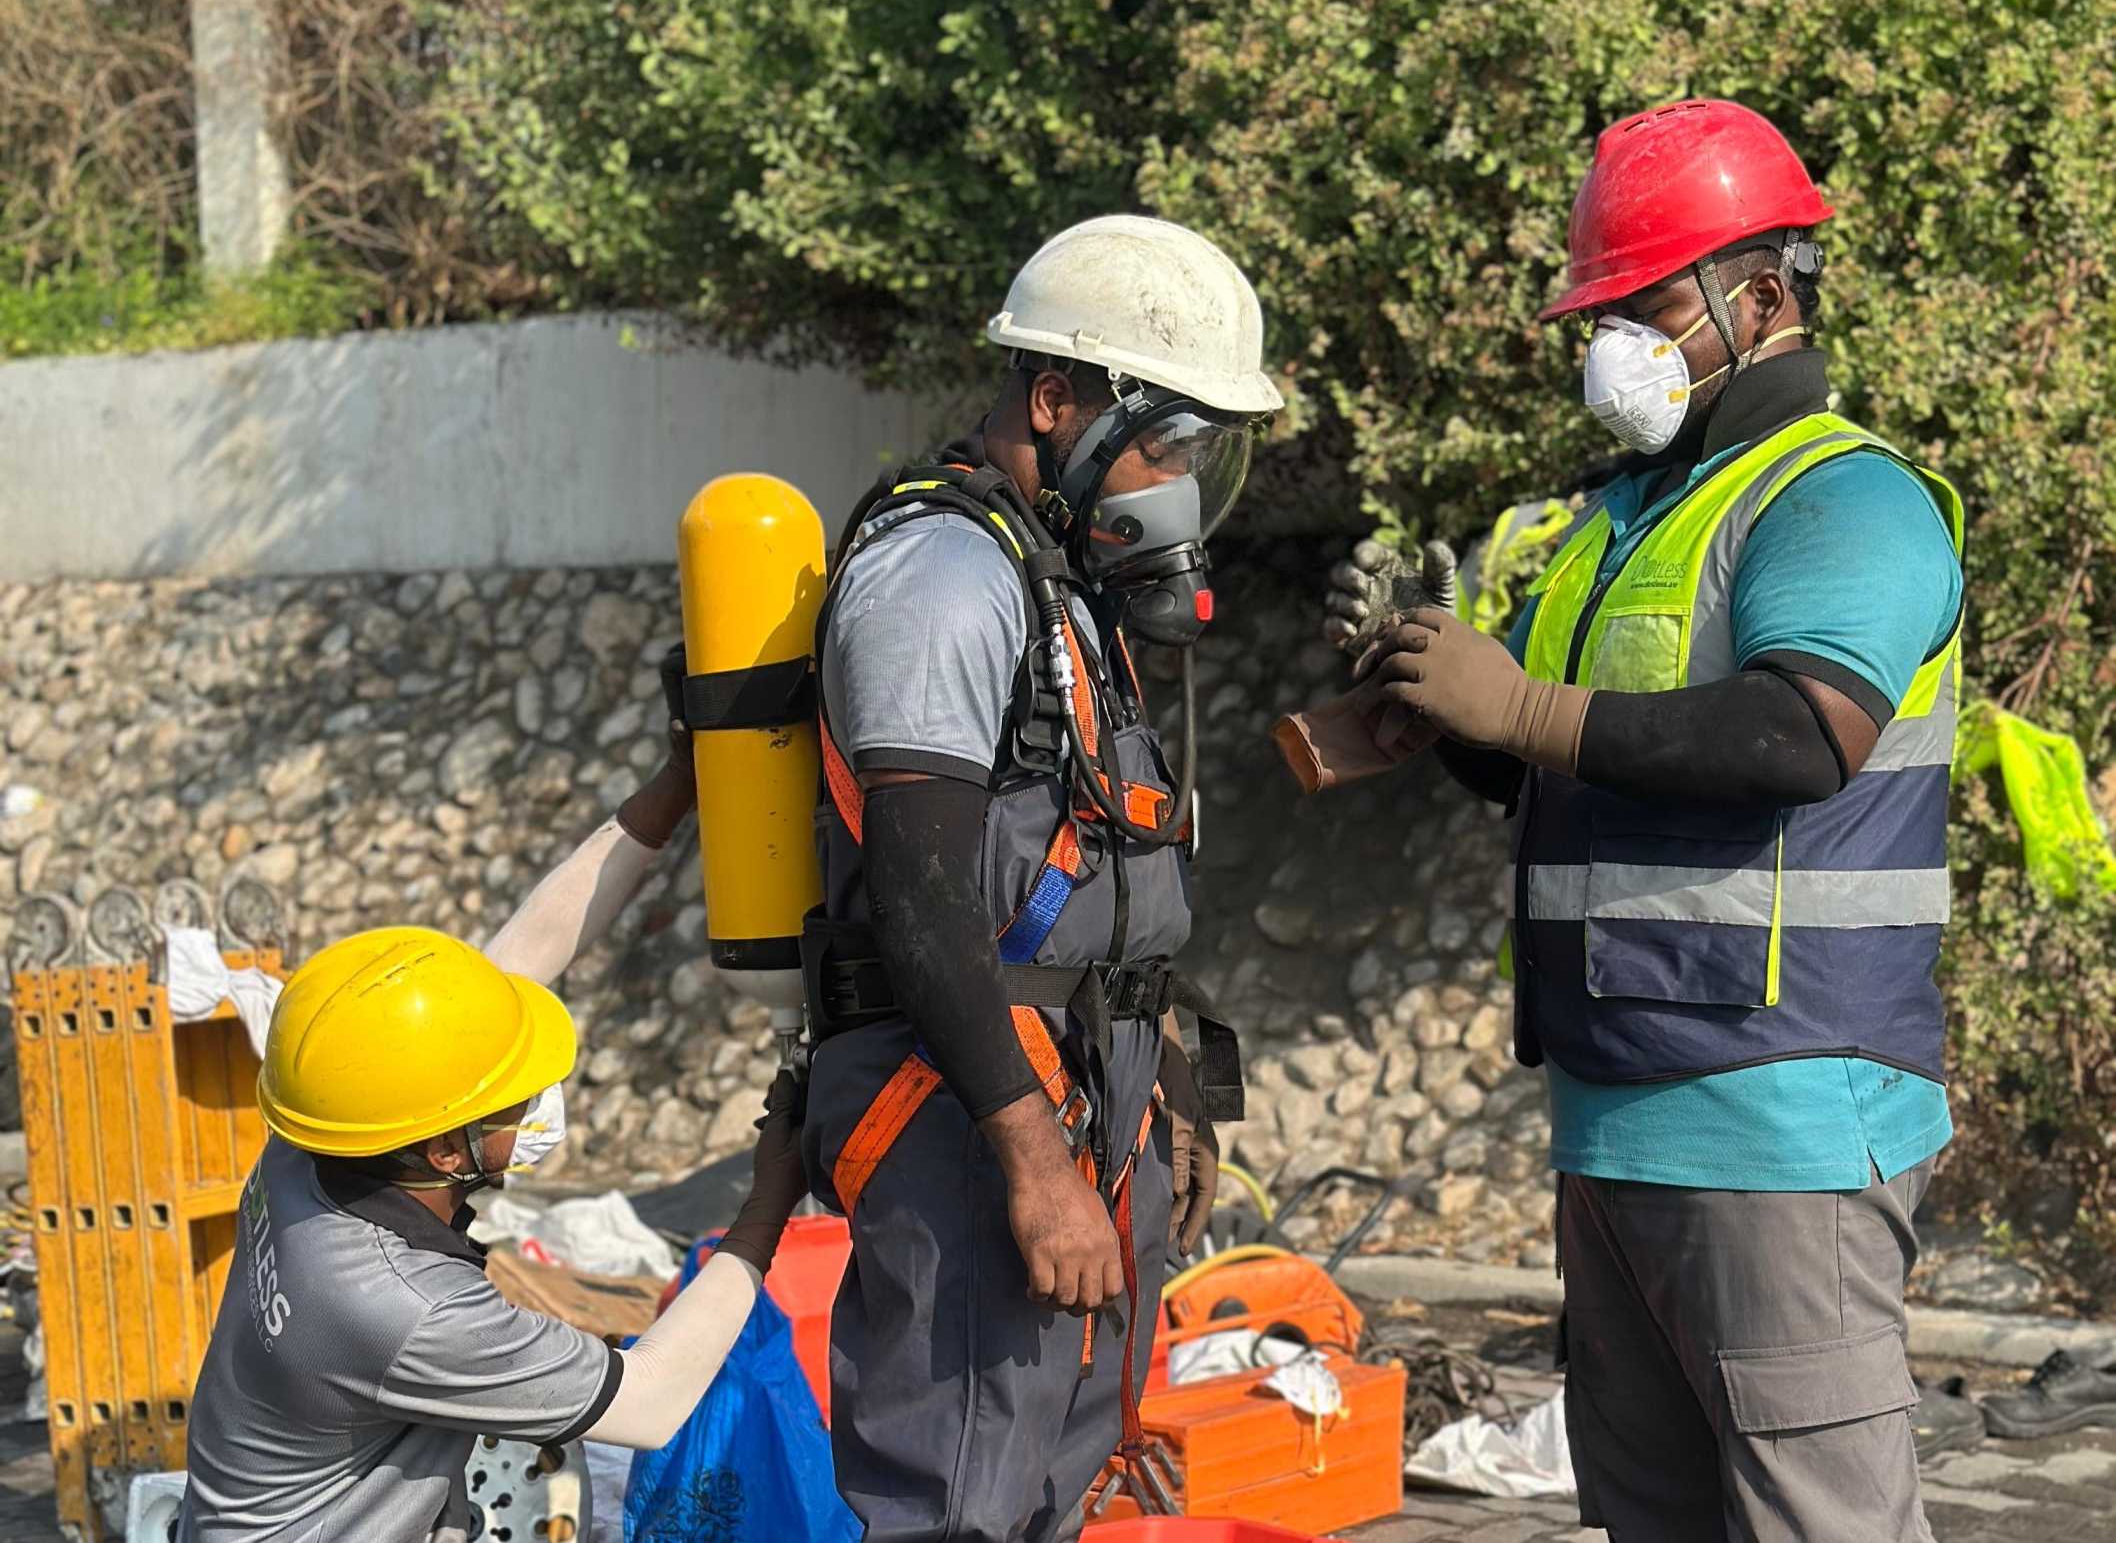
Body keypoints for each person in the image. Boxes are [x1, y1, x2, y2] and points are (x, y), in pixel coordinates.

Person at [1320, 100, 1963, 1542]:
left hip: (1780, 1119)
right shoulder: (1614, 519)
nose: (1613, 341)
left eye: (1645, 302)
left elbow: (1804, 731)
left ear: (1764, 295)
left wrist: (1528, 710)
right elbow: (1565, 774)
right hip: (1616, 1120)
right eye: (1601, 308)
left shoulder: (1843, 499)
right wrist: (1447, 714)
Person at [799, 215, 1262, 1540]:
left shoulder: (1059, 579)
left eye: (1197, 455)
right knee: (956, 1490)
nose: (1178, 483)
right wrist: (1032, 1162)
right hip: (968, 1098)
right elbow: (924, 895)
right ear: (1057, 398)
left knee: (1063, 1468)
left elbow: (1089, 874)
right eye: (1167, 443)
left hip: (1081, 1084)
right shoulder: (942, 573)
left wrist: (1159, 1075)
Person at [178, 704, 807, 1542]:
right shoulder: (403, 1305)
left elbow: (516, 959)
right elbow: (650, 1400)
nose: (535, 1096)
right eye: (510, 1100)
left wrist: (676, 790)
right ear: (443, 1148)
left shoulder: (324, 1127)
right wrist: (768, 1201)